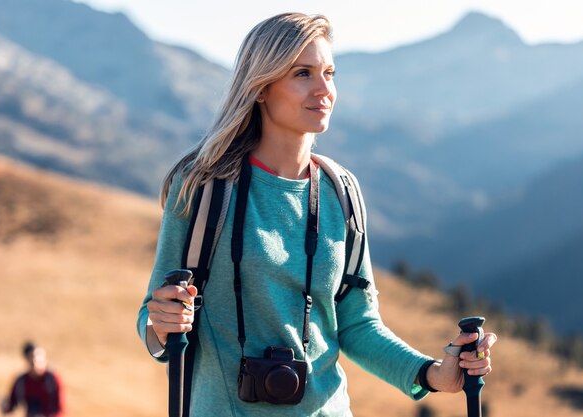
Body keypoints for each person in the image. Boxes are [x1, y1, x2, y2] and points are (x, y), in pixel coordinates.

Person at [137, 12, 497, 417]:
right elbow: (154, 316)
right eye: (303, 74)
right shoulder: (203, 186)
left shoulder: (341, 191)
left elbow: (357, 324)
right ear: (260, 86)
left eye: (330, 72)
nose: (324, 89)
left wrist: (434, 374)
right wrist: (160, 323)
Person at [1, 341, 64, 417]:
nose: (36, 363)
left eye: (39, 360)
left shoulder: (51, 379)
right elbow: (11, 405)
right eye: (32, 360)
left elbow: (60, 409)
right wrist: (4, 406)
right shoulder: (21, 382)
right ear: (27, 361)